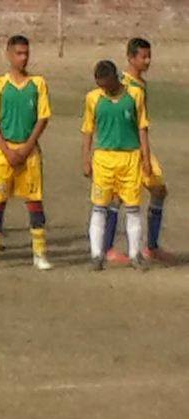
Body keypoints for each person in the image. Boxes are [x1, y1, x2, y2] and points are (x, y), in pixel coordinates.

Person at [0, 35, 51, 270]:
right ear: (9, 55)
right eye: (19, 53)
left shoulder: (38, 84)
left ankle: (39, 254)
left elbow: (42, 118)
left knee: (34, 202)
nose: (23, 58)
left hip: (29, 153)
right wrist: (5, 149)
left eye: (26, 53)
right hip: (4, 153)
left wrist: (28, 146)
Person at [101, 38, 171, 265]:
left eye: (149, 56)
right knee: (117, 197)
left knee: (159, 190)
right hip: (127, 150)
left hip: (141, 148)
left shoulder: (140, 84)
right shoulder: (124, 84)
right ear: (131, 58)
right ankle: (108, 249)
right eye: (143, 57)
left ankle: (151, 247)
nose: (148, 61)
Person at [82, 60, 150, 271]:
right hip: (103, 159)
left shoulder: (135, 95)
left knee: (132, 207)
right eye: (100, 85)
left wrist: (146, 158)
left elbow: (142, 128)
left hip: (130, 157)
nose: (104, 88)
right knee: (99, 206)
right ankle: (96, 255)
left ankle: (135, 255)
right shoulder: (93, 98)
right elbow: (88, 130)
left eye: (107, 84)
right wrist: (86, 158)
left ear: (115, 78)